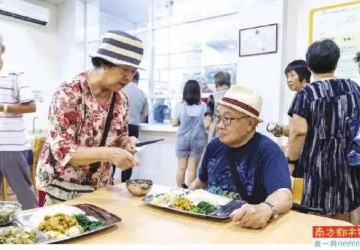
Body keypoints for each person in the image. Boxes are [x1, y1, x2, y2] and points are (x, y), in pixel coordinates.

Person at [36, 30, 142, 206]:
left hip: (100, 189)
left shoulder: (121, 99)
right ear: (104, 63)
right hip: (60, 188)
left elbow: (120, 134)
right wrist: (110, 154)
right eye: (125, 69)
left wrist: (126, 143)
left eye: (133, 71)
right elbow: (64, 150)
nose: (129, 78)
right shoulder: (69, 93)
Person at [189, 85, 293, 229]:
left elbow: (284, 194)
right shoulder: (214, 145)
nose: (219, 125)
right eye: (218, 117)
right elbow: (200, 181)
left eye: (227, 118)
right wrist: (183, 198)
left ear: (250, 123)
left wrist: (266, 208)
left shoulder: (268, 151)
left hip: (242, 227)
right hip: (209, 225)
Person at [287, 39, 360, 223]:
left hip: (316, 166)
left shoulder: (307, 93)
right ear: (336, 63)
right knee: (342, 216)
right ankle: (339, 243)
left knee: (315, 218)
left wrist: (291, 160)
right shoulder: (353, 88)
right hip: (347, 165)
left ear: (309, 66)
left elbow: (298, 132)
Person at [0, 33, 38, 209]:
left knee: (24, 195)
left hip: (11, 146)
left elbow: (31, 106)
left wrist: (3, 108)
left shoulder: (15, 73)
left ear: (3, 49)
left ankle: (36, 231)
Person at [172, 80, 207, 188]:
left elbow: (174, 123)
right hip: (198, 139)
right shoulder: (204, 106)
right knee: (192, 169)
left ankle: (179, 191)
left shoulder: (179, 106)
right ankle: (190, 193)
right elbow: (206, 124)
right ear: (198, 92)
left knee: (181, 168)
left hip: (182, 139)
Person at [267, 60, 311, 138]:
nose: (289, 80)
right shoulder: (312, 92)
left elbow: (297, 130)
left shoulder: (302, 94)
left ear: (304, 76)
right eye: (287, 76)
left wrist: (281, 129)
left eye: (292, 75)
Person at [121, 71, 148, 182]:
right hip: (134, 127)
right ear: (138, 80)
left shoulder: (120, 91)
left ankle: (110, 180)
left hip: (120, 125)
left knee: (113, 151)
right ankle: (125, 182)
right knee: (130, 155)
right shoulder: (142, 94)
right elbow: (145, 113)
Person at [204, 71, 231, 143]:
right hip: (232, 134)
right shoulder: (235, 96)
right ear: (229, 83)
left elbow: (207, 121)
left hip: (217, 134)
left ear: (216, 84)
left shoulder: (213, 97)